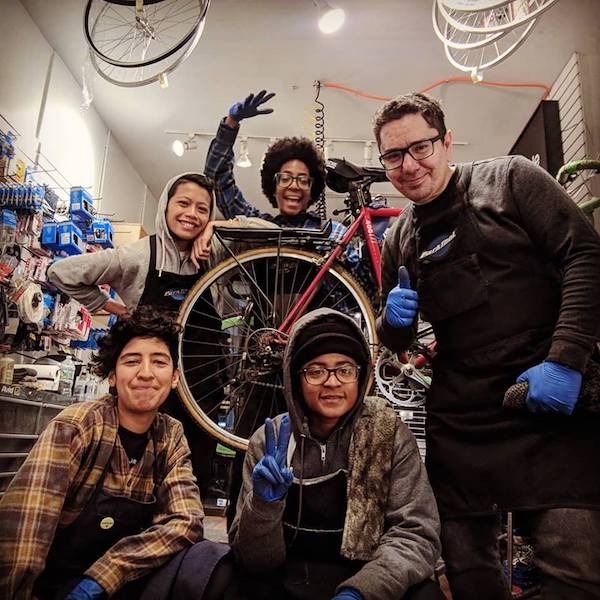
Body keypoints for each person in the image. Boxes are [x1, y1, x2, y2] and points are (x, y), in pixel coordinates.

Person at [374, 92, 600, 599]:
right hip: (464, 415)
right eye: (394, 155)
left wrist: (566, 362)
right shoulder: (399, 239)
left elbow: (584, 255)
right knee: (468, 569)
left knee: (576, 569)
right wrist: (393, 324)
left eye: (421, 147)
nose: (409, 165)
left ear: (447, 141)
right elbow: (398, 341)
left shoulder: (512, 179)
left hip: (544, 396)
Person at [47, 172, 275, 498]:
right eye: (183, 203)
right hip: (148, 382)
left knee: (192, 474)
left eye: (202, 209)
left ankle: (184, 536)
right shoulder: (137, 256)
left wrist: (218, 227)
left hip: (202, 384)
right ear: (166, 205)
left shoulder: (216, 251)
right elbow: (60, 272)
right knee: (139, 473)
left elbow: (275, 233)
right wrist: (115, 308)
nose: (191, 215)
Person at [0, 307, 228, 600]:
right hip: (53, 585)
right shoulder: (77, 426)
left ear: (174, 377)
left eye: (159, 362)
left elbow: (185, 521)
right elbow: (26, 529)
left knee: (212, 560)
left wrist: (104, 577)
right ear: (111, 376)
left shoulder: (170, 436)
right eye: (132, 361)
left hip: (119, 584)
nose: (145, 373)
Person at [228, 308, 443, 600]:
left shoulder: (389, 434)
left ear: (360, 375)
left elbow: (415, 535)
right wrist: (265, 506)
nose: (332, 382)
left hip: (368, 580)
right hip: (287, 582)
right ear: (295, 378)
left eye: (345, 370)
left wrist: (361, 591)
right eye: (316, 371)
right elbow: (254, 562)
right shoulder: (270, 441)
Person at [203, 89, 358, 267]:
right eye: (285, 178)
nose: (294, 186)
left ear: (312, 189)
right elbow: (216, 179)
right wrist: (231, 123)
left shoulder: (333, 233)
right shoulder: (257, 229)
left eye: (303, 179)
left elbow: (357, 287)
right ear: (273, 187)